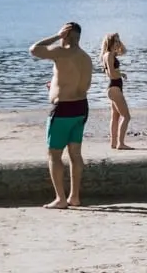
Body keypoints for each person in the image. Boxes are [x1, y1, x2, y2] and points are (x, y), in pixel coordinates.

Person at [29, 22, 93, 209]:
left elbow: (34, 49)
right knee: (75, 153)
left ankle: (60, 198)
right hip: (81, 107)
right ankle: (75, 197)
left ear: (66, 34)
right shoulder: (85, 57)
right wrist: (56, 86)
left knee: (54, 154)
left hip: (63, 110)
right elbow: (82, 84)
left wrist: (56, 36)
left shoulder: (62, 52)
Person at [99, 33, 132, 151]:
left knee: (115, 116)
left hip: (115, 88)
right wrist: (121, 74)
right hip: (114, 88)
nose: (118, 43)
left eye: (118, 41)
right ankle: (121, 143)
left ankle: (113, 143)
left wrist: (119, 40)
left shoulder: (111, 54)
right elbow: (112, 74)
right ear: (110, 42)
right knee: (127, 116)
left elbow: (124, 51)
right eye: (116, 41)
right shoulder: (108, 55)